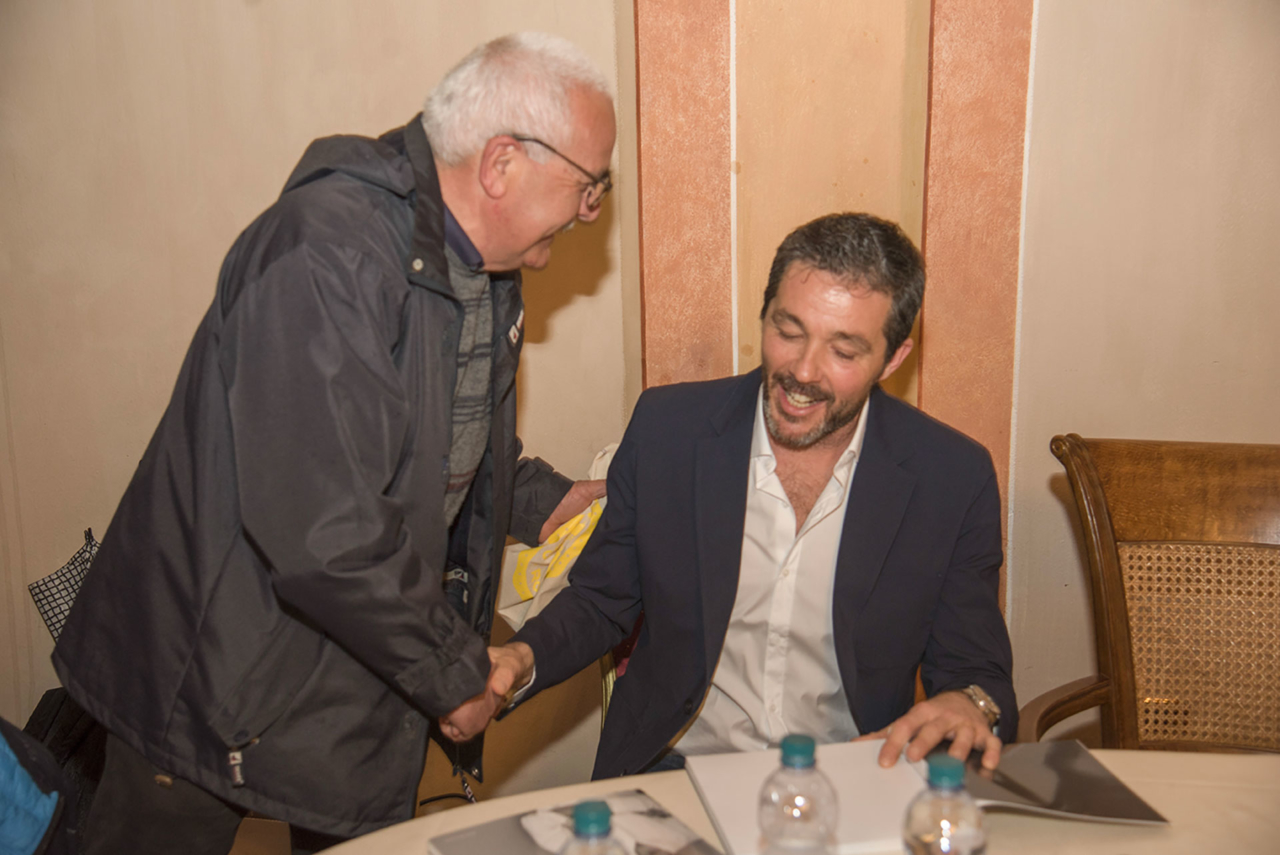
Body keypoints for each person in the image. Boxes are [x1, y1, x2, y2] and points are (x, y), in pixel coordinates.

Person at [51, 32, 614, 854]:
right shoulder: (327, 252)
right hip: (216, 673)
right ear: (502, 164)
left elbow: (432, 444)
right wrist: (453, 674)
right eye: (590, 183)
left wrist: (544, 501)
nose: (591, 209)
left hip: (356, 668)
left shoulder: (485, 273)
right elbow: (324, 522)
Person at [449, 212, 1017, 778]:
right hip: (678, 768)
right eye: (788, 331)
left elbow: (977, 671)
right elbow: (603, 599)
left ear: (893, 358)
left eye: (844, 352)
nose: (803, 371)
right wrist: (519, 659)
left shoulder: (951, 477)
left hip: (851, 775)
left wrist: (971, 705)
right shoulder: (670, 430)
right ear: (765, 314)